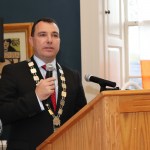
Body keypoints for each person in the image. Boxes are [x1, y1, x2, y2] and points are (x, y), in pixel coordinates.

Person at [0, 18, 87, 150]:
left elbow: (82, 118)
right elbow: (4, 113)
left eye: (54, 35)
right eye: (42, 35)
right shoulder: (13, 72)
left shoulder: (72, 76)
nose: (49, 40)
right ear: (31, 41)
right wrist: (35, 97)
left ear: (59, 41)